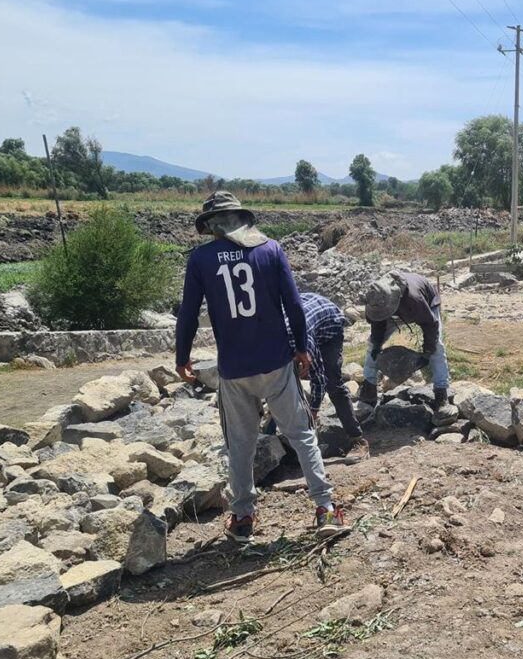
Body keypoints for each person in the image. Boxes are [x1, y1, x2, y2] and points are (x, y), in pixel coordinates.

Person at [175, 191, 347, 543]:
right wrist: (301, 348)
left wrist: (182, 357)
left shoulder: (201, 259)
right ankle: (325, 509)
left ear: (211, 226)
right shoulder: (270, 250)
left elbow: (189, 314)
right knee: (301, 434)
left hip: (235, 369)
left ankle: (242, 518)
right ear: (242, 219)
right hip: (276, 362)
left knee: (239, 444)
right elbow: (294, 306)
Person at [360, 271, 450, 409]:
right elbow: (377, 325)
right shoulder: (375, 299)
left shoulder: (414, 300)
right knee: (372, 346)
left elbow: (430, 325)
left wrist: (427, 352)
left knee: (437, 347)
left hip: (426, 303)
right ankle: (368, 389)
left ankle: (441, 392)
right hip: (396, 310)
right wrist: (377, 344)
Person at [293, 291, 366, 451]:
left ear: (305, 362)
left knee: (332, 382)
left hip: (329, 323)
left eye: (303, 372)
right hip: (309, 313)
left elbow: (319, 380)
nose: (304, 377)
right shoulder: (270, 349)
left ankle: (356, 438)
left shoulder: (306, 346)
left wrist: (313, 411)